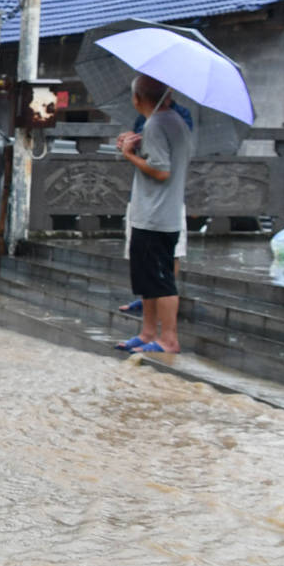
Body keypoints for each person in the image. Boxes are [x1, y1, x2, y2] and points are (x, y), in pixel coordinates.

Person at [115, 74, 192, 355]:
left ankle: (168, 339)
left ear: (137, 99)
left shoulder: (159, 124)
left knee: (160, 279)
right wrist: (134, 147)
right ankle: (147, 333)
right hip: (153, 212)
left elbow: (161, 170)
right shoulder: (169, 122)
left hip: (157, 215)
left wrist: (129, 156)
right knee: (148, 278)